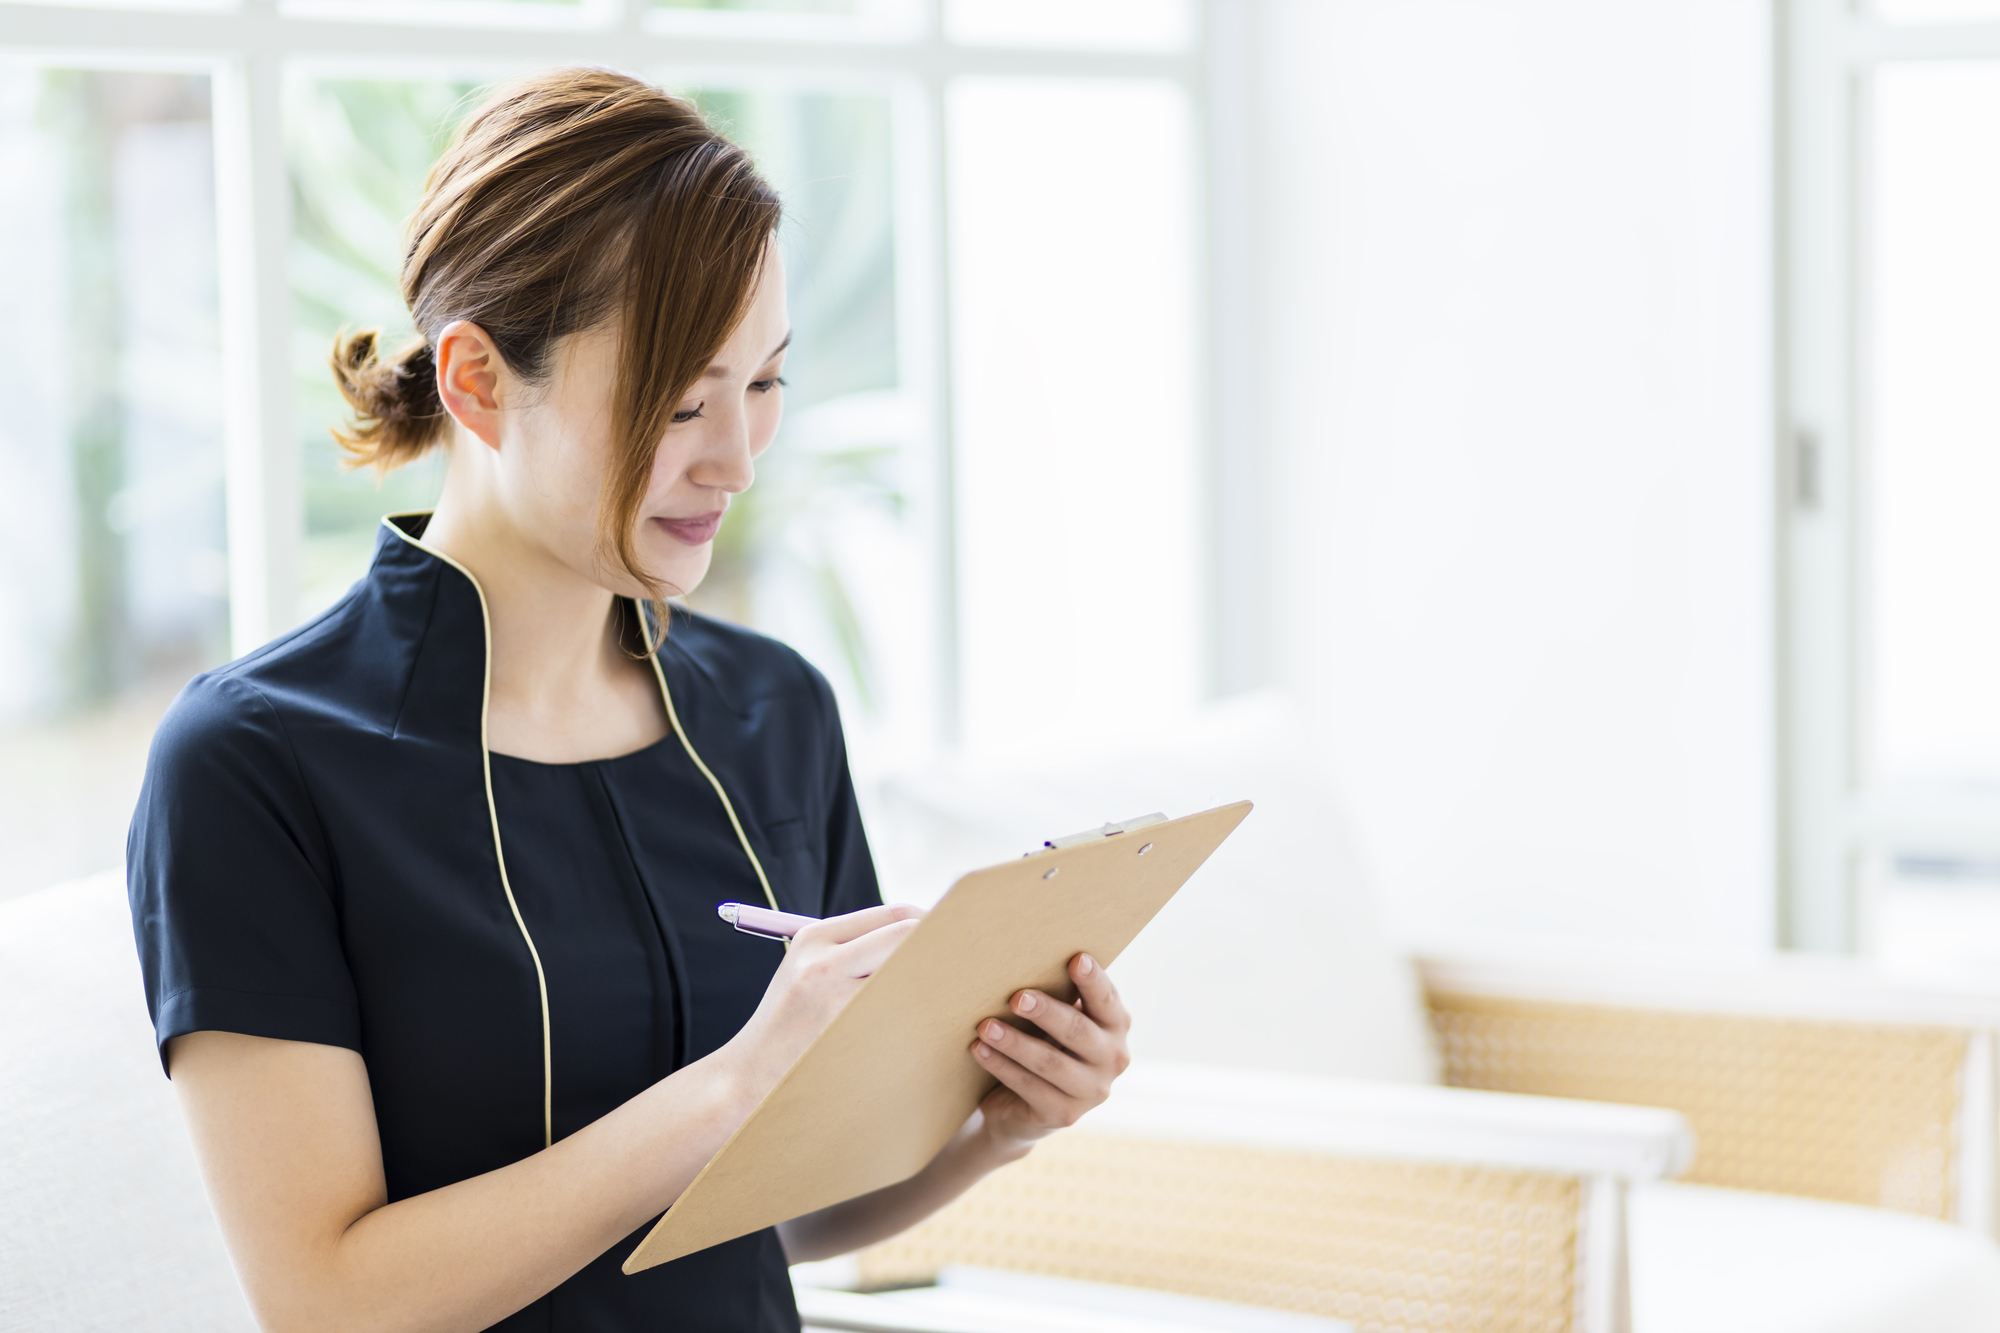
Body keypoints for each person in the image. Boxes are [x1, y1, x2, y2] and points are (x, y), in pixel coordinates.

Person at [126, 67, 1132, 1333]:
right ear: (478, 380)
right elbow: (327, 1301)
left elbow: (773, 1213)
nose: (736, 457)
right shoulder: (255, 763)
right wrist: (734, 1083)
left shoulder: (773, 709)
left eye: (764, 384)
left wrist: (992, 1126)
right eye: (678, 400)